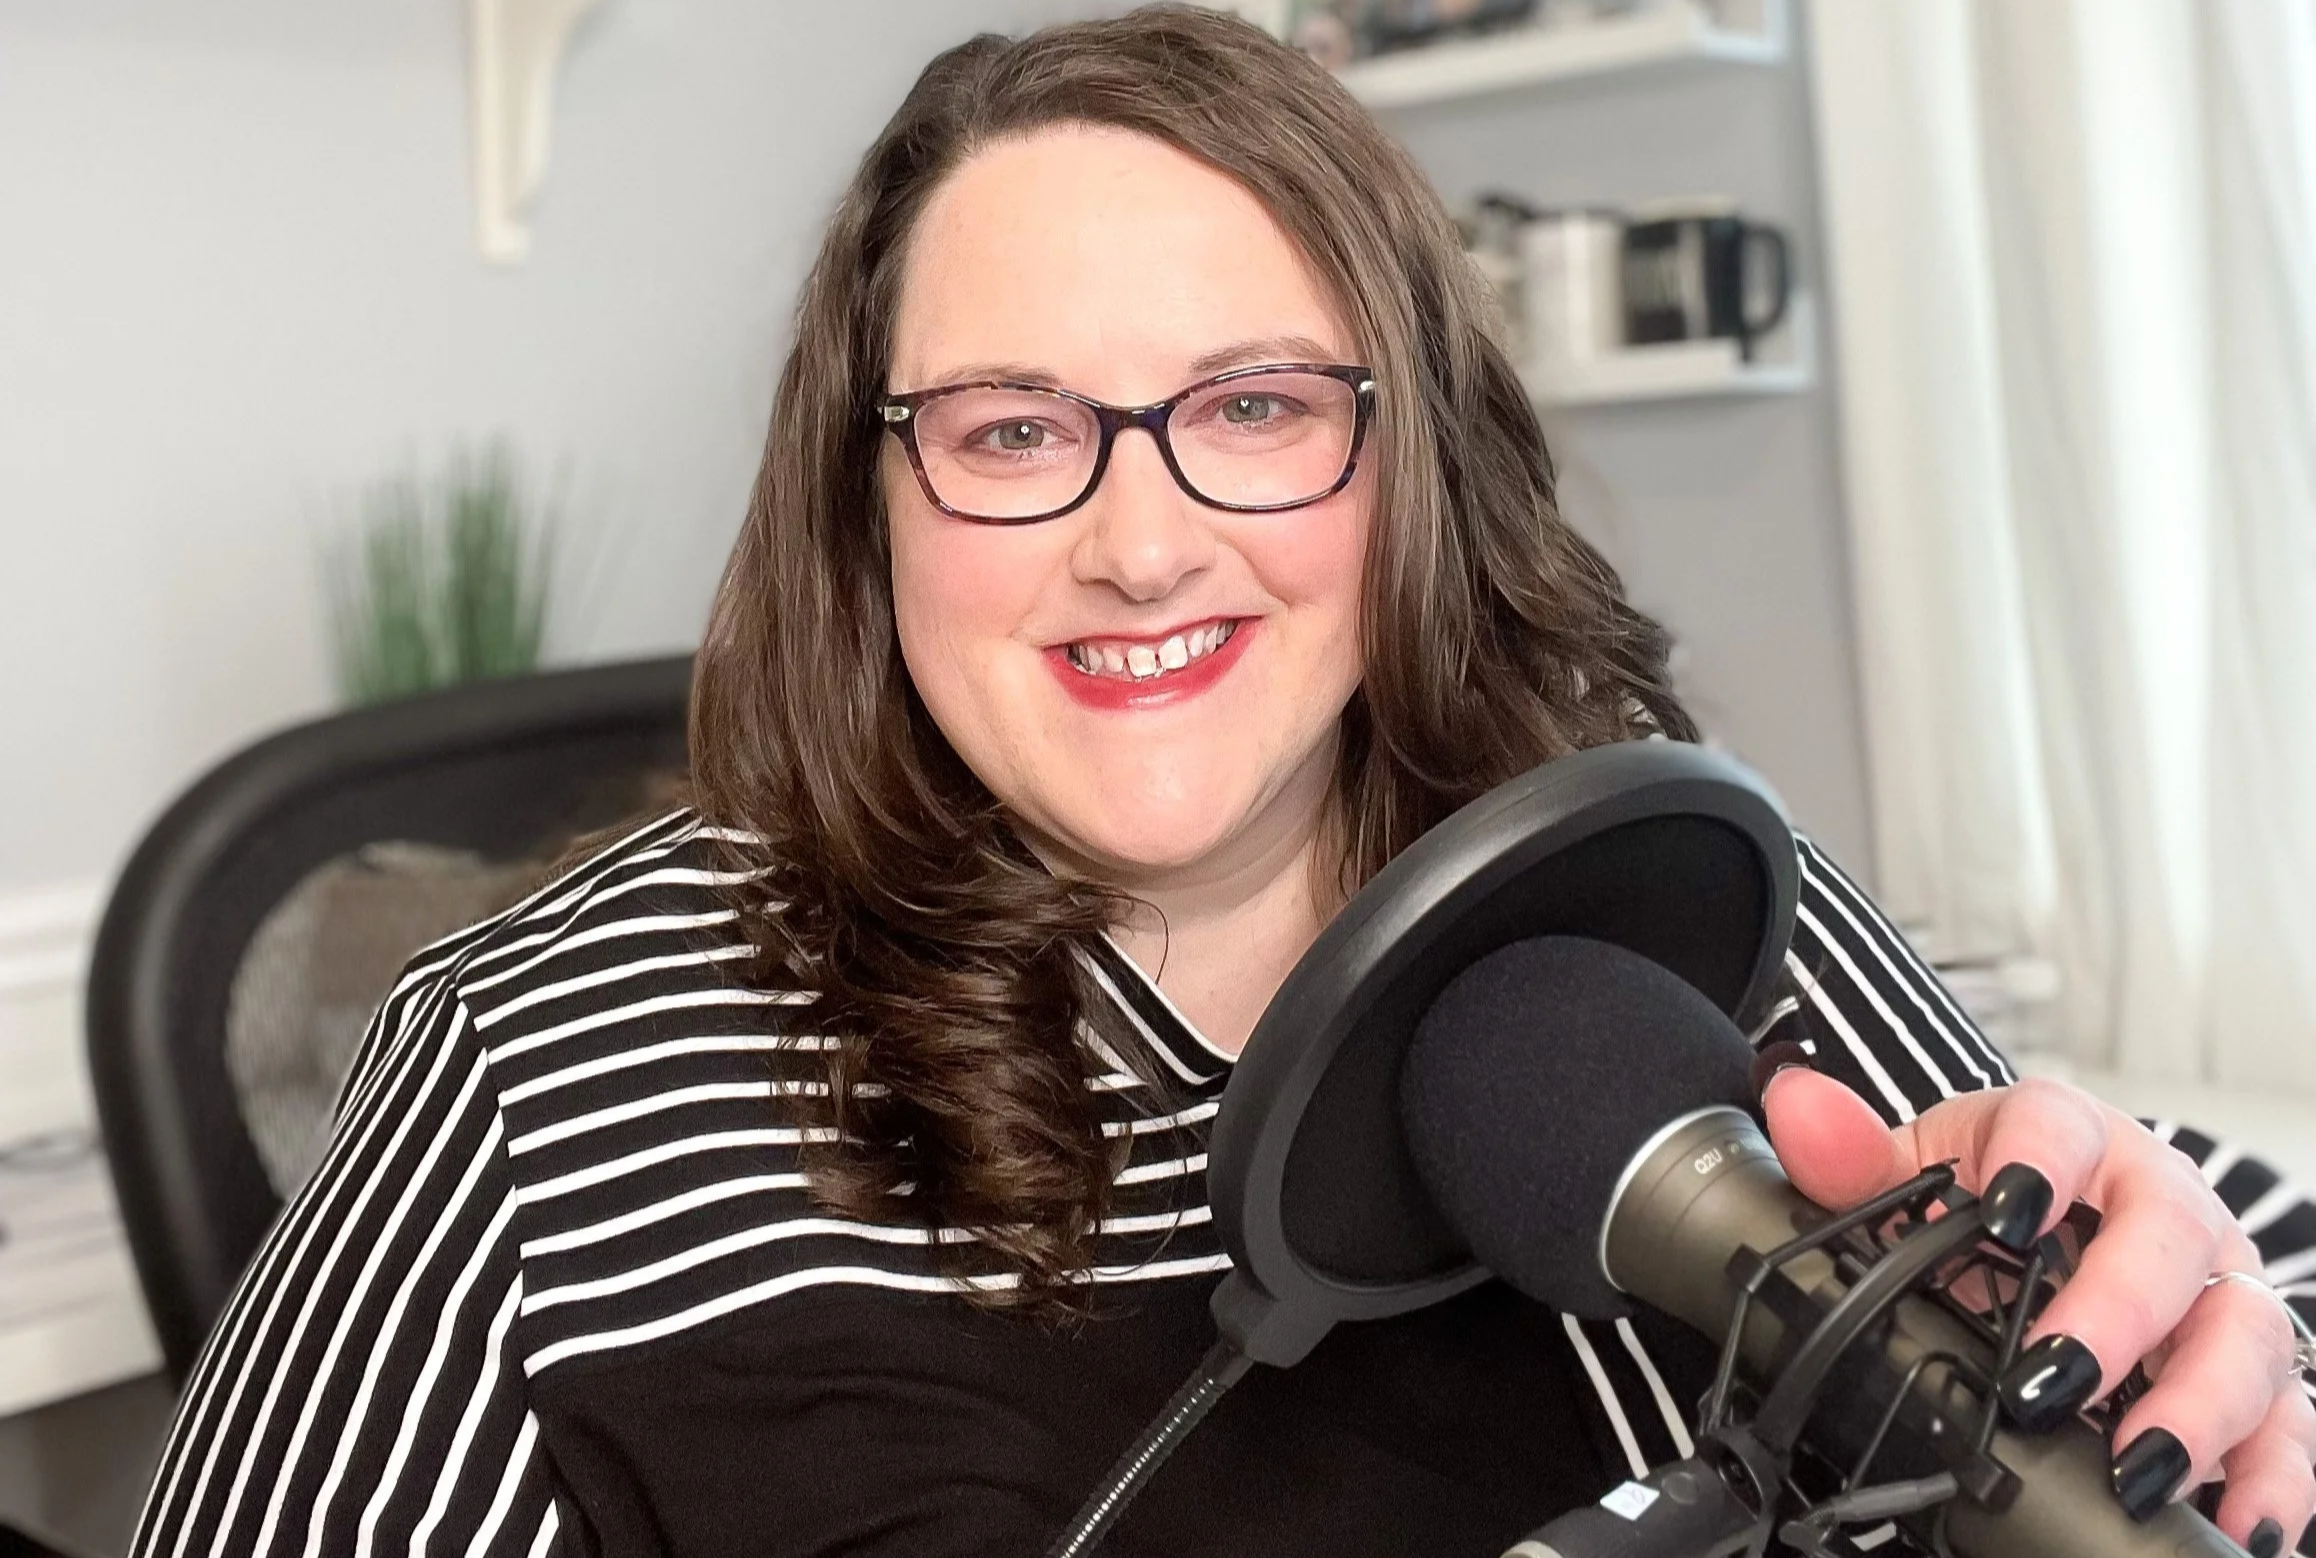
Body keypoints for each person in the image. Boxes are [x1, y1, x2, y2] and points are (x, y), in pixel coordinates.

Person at [128, 9, 2314, 1557]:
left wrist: (2230, 1303)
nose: (1142, 537)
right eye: (1008, 430)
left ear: (1413, 463)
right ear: (864, 511)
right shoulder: (541, 1075)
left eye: (1255, 407)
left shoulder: (1664, 901)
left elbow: (2180, 1320)